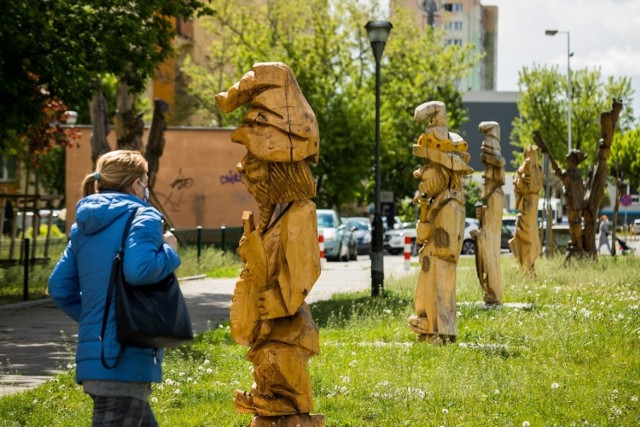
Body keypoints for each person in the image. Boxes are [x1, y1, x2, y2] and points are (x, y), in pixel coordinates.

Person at [49, 150, 180, 426]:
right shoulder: (142, 216)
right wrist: (169, 250)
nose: (147, 188)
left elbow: (59, 287)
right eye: (146, 181)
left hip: (99, 359)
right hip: (124, 358)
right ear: (135, 184)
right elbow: (140, 270)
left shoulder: (83, 225)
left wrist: (97, 318)